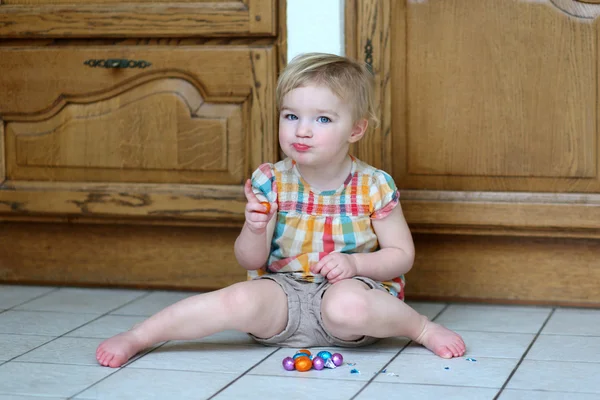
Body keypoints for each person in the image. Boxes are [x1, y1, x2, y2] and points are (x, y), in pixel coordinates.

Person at [96, 52, 466, 368]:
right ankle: (139, 336)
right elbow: (249, 258)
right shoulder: (271, 180)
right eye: (291, 116)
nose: (302, 131)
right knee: (236, 299)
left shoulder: (374, 185)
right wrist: (254, 229)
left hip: (353, 293)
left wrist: (356, 265)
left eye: (322, 119)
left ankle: (421, 328)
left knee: (347, 305)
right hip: (285, 295)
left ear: (356, 129)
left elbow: (401, 256)